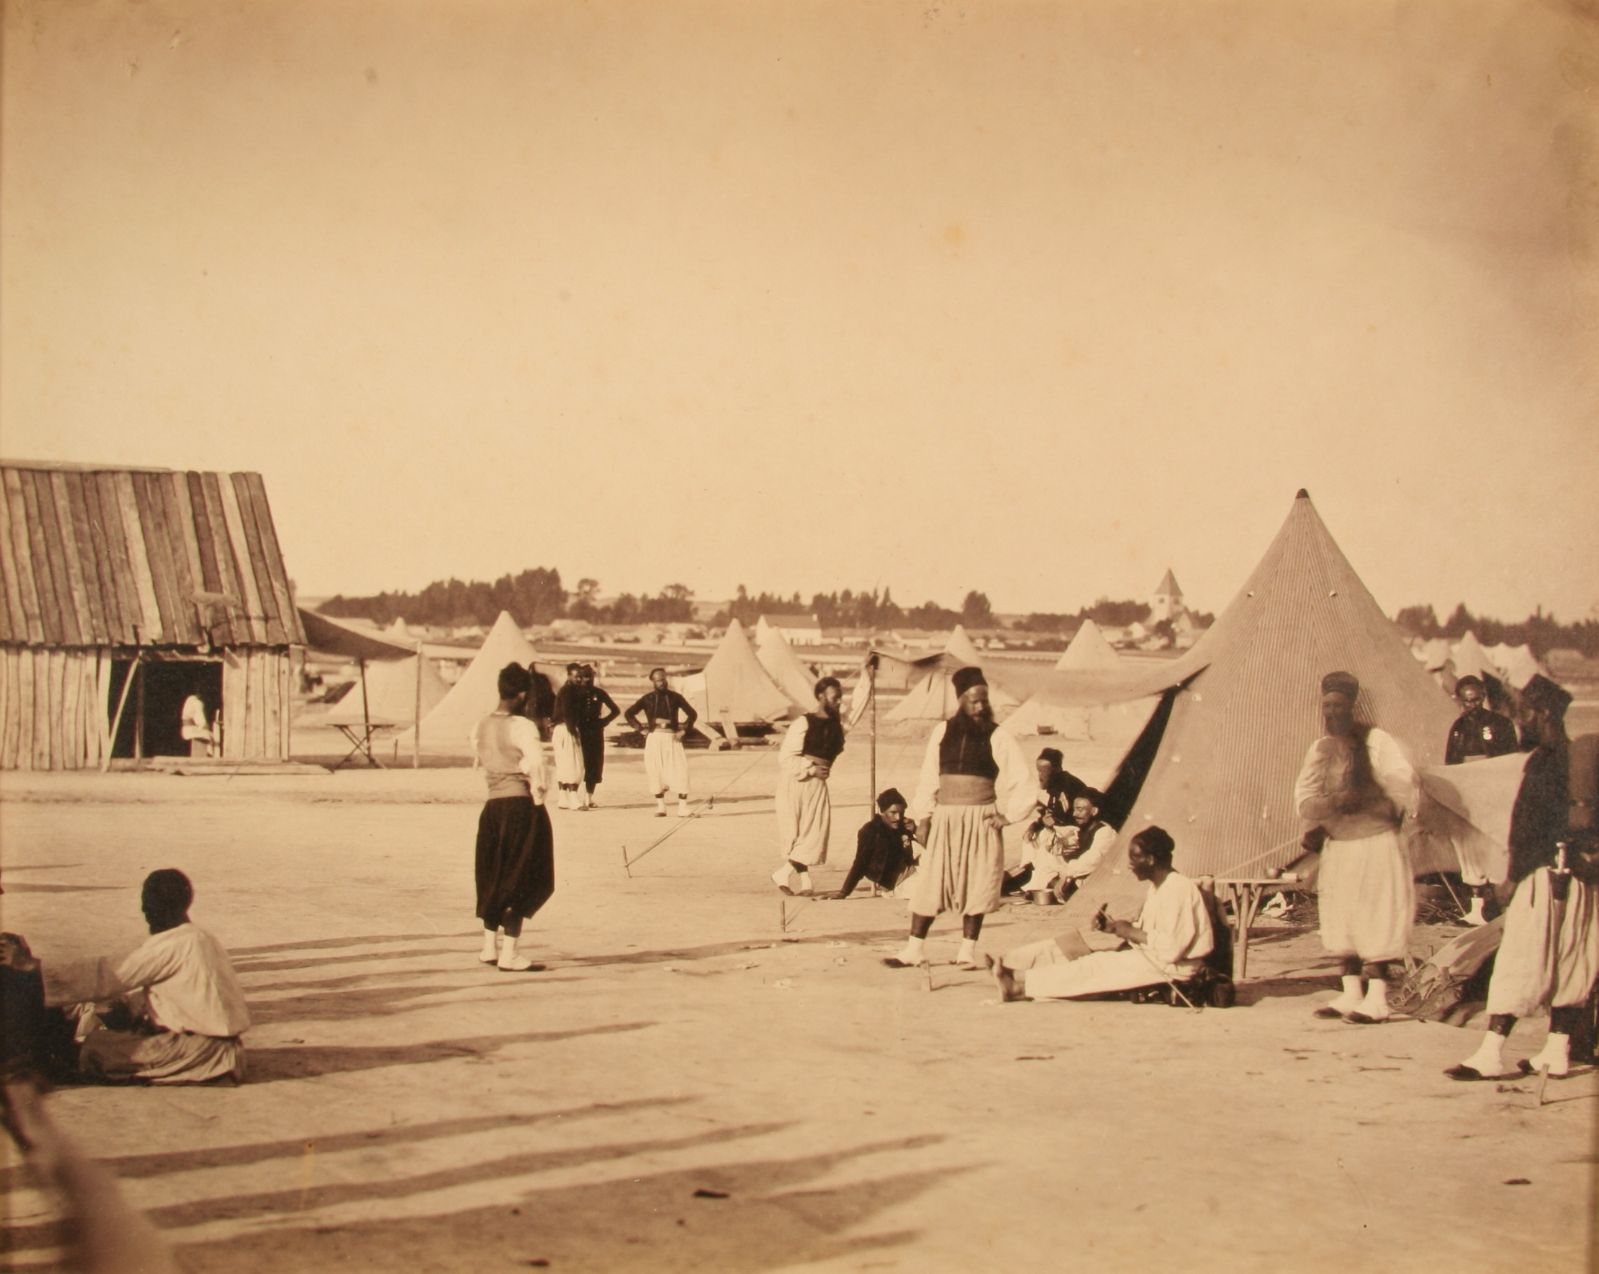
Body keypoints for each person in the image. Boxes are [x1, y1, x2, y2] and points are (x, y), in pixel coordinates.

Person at [1447, 675, 1598, 1080]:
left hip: (1543, 877)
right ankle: (1557, 1050)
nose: (1520, 721)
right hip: (1579, 879)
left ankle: (1492, 1054)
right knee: (1571, 960)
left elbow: (1529, 829)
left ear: (1543, 713)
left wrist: (1511, 878)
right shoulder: (1577, 757)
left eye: (1526, 713)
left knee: (1521, 960)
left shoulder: (1545, 762)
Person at [0, 869, 249, 1084]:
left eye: (147, 907)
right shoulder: (202, 938)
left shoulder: (174, 944)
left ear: (157, 908)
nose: (145, 913)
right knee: (104, 1020)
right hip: (221, 1049)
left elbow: (107, 974)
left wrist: (30, 966)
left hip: (201, 1052)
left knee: (92, 1050)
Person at [884, 667, 1035, 970]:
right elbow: (929, 775)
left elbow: (1023, 778)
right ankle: (914, 950)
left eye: (983, 701)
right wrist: (925, 816)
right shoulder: (943, 732)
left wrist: (1008, 816)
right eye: (973, 701)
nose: (980, 707)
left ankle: (966, 951)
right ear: (960, 700)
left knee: (978, 882)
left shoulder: (999, 735)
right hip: (946, 818)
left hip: (982, 818)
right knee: (931, 880)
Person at [1294, 670, 1419, 1024]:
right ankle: (1351, 992)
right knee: (1341, 917)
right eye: (1326, 706)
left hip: (1375, 844)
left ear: (1352, 707)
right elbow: (1303, 795)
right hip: (1341, 846)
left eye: (1338, 705)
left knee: (1374, 916)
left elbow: (1401, 781)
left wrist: (1367, 798)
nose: (1331, 712)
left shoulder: (1376, 741)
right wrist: (1328, 805)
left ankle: (1378, 998)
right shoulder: (1320, 748)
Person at [989, 825, 1214, 1002]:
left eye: (1134, 858)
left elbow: (1172, 949)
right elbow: (1152, 934)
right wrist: (1115, 928)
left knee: (1095, 964)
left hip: (1178, 968)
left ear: (1151, 859)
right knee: (1073, 944)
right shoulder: (1159, 888)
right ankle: (1012, 968)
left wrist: (1130, 931)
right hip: (1157, 958)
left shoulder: (1178, 890)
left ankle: (1019, 986)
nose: (1130, 865)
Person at [470, 663, 554, 972]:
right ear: (521, 694)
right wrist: (538, 796)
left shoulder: (480, 725)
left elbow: (480, 761)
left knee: (492, 872)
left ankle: (489, 946)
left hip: (492, 808)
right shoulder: (521, 726)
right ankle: (510, 953)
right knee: (522, 874)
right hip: (519, 806)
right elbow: (537, 766)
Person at [1444, 674, 1522, 925]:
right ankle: (1477, 907)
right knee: (1469, 845)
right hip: (1468, 793)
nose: (1473, 706)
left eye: (1477, 700)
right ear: (1460, 701)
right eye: (1467, 702)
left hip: (1494, 790)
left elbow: (1511, 761)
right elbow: (1451, 764)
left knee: (1496, 843)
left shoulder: (1500, 724)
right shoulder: (1457, 728)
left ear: (1483, 698)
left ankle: (1500, 901)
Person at [772, 677, 846, 895]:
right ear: (821, 697)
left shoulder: (838, 725)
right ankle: (800, 879)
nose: (839, 702)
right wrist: (812, 768)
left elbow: (859, 706)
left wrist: (867, 677)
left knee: (814, 834)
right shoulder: (804, 722)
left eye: (841, 697)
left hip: (817, 785)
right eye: (835, 697)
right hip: (796, 781)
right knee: (797, 834)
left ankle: (786, 874)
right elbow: (785, 758)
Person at [624, 668, 698, 818]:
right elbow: (629, 713)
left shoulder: (676, 697)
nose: (662, 682)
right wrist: (640, 729)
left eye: (664, 679)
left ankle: (682, 808)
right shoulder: (647, 699)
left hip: (672, 738)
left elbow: (692, 714)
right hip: (655, 739)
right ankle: (661, 807)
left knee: (681, 770)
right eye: (658, 680)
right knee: (655, 771)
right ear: (653, 682)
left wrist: (683, 731)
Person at [836, 789, 920, 899]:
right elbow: (860, 864)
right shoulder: (871, 831)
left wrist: (916, 830)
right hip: (898, 884)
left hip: (913, 872)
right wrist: (844, 892)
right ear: (882, 811)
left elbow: (933, 845)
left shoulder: (904, 825)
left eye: (901, 813)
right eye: (893, 813)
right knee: (933, 892)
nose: (898, 818)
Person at [576, 665, 620, 809]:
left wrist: (603, 722)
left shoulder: (599, 693)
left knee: (594, 764)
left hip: (595, 732)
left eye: (590, 677)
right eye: (585, 677)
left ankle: (588, 797)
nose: (587, 680)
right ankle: (574, 797)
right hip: (578, 731)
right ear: (580, 677)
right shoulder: (574, 693)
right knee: (577, 763)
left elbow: (616, 710)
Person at [551, 664, 587, 810]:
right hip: (567, 729)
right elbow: (567, 713)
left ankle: (563, 798)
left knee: (564, 764)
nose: (579, 679)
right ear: (569, 676)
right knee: (575, 764)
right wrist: (574, 731)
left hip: (561, 729)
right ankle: (573, 799)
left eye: (580, 676)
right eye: (576, 676)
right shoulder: (568, 692)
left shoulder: (566, 690)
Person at [179, 693, 215, 758]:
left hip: (186, 730)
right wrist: (207, 726)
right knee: (211, 736)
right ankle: (210, 756)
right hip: (192, 731)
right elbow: (202, 722)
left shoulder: (189, 700)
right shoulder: (197, 703)